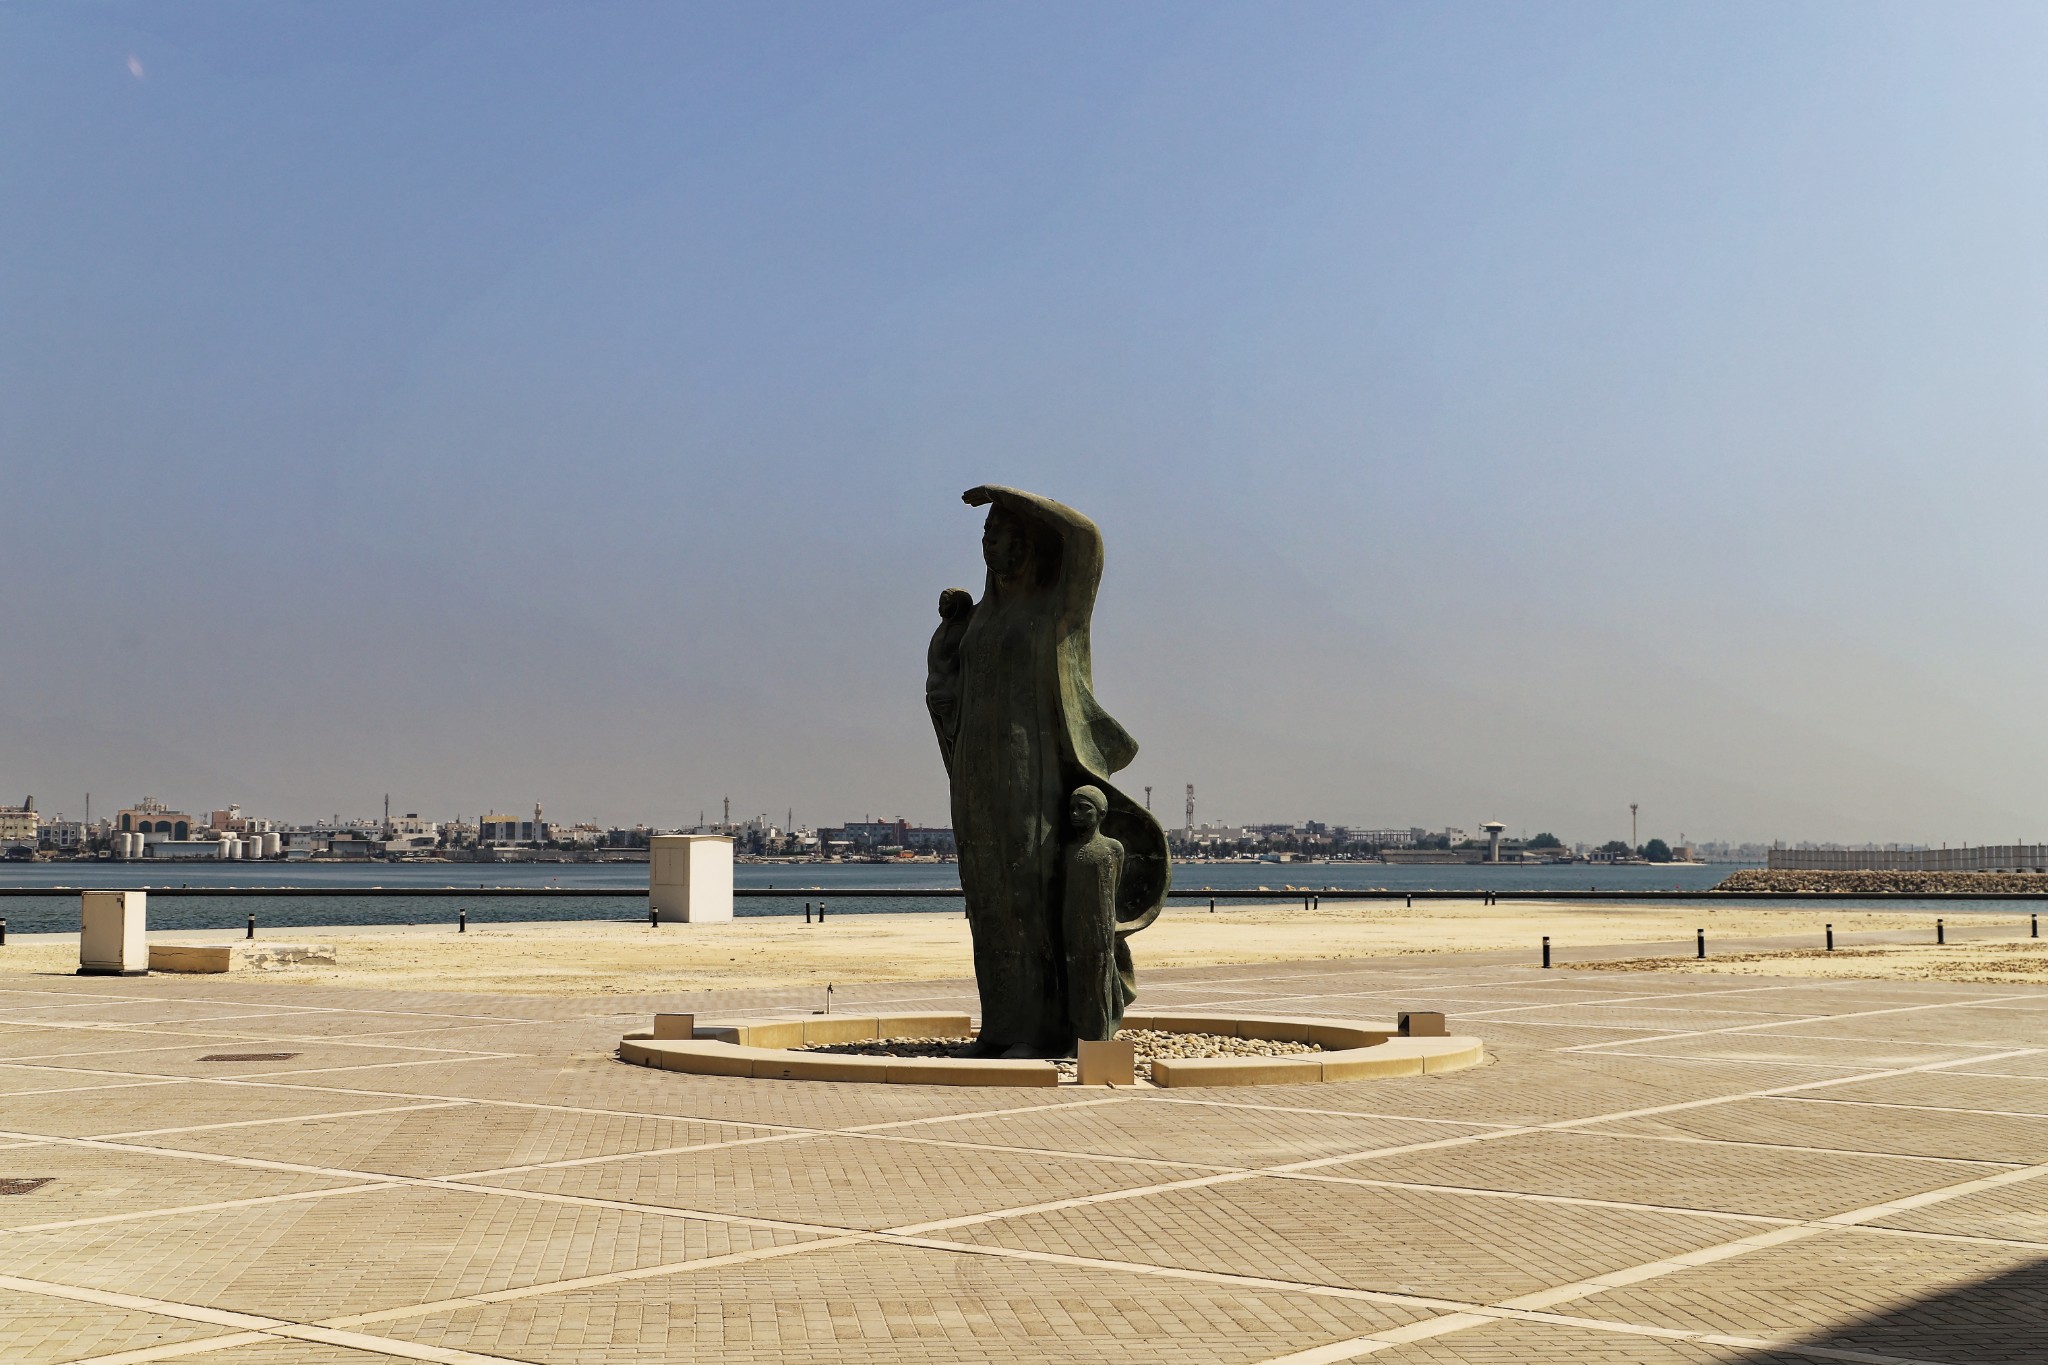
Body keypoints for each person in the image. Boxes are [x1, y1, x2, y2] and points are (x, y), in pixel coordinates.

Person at [927, 485, 1168, 1056]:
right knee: (987, 896)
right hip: (975, 771)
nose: (990, 546)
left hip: (1032, 770)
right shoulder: (981, 616)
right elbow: (948, 684)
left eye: (1003, 534)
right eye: (986, 535)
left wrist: (1009, 495)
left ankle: (1041, 1029)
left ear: (1032, 542)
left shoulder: (1057, 609)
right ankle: (1002, 1027)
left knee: (1029, 890)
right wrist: (947, 640)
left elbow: (1086, 540)